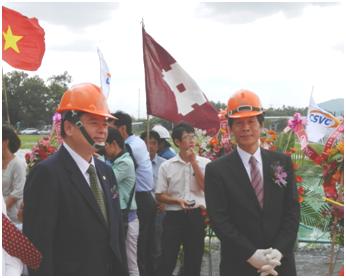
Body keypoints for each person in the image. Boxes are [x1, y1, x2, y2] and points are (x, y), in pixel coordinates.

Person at [23, 83, 128, 275]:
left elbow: (116, 235)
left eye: (105, 123)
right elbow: (38, 247)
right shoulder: (47, 174)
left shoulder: (106, 171)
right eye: (94, 123)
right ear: (69, 127)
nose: (102, 130)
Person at [204, 89, 300, 275]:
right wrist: (251, 255)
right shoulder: (217, 170)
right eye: (239, 123)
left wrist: (278, 251)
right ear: (230, 129)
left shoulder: (281, 162)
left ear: (261, 125)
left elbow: (292, 210)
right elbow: (219, 220)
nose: (245, 127)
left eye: (251, 121)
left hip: (280, 263)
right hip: (239, 264)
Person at [155, 122, 210, 275]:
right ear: (177, 142)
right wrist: (177, 201)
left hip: (196, 216)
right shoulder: (166, 166)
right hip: (174, 216)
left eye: (193, 136)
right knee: (167, 259)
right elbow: (159, 195)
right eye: (186, 137)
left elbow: (206, 188)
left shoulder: (205, 163)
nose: (192, 140)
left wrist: (193, 162)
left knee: (194, 260)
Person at [112, 111, 156, 275]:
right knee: (144, 246)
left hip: (139, 199)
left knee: (137, 250)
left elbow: (115, 174)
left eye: (111, 127)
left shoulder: (128, 147)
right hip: (145, 197)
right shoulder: (137, 141)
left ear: (122, 128)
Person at [104, 128, 139, 276]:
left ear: (113, 144)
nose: (102, 150)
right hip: (120, 218)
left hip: (128, 219)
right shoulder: (115, 161)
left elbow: (107, 180)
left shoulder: (125, 162)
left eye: (103, 146)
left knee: (130, 262)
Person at [140, 130, 167, 272]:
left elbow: (171, 187)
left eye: (153, 143)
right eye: (146, 142)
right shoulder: (137, 165)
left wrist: (163, 201)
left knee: (157, 246)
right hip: (143, 210)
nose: (149, 146)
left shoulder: (165, 164)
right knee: (142, 244)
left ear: (158, 146)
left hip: (159, 211)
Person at [2, 125, 26, 224]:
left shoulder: (18, 164)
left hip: (11, 218)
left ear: (5, 142)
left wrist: (2, 210)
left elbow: (18, 191)